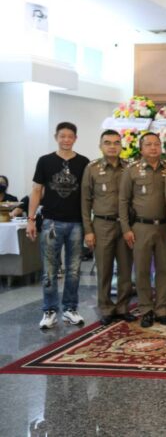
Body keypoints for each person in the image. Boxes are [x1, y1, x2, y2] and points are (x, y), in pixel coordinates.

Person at [26, 122, 90, 329]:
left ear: (75, 139)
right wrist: (30, 219)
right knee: (49, 270)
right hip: (51, 222)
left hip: (76, 223)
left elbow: (88, 194)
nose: (66, 140)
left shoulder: (84, 162)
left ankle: (70, 308)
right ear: (56, 137)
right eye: (62, 136)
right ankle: (49, 310)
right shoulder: (45, 161)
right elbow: (36, 190)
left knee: (74, 269)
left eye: (70, 136)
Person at [81, 129, 135, 326]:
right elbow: (85, 201)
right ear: (100, 146)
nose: (112, 146)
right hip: (102, 224)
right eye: (108, 142)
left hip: (126, 225)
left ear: (121, 146)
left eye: (116, 142)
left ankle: (122, 307)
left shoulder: (129, 167)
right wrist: (88, 230)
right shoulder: (92, 168)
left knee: (125, 269)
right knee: (104, 269)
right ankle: (105, 308)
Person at [119, 133, 166, 328]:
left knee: (164, 270)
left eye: (156, 144)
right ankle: (146, 310)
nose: (153, 148)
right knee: (142, 270)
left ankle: (162, 310)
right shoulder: (132, 170)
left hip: (165, 227)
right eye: (148, 144)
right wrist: (126, 228)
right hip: (141, 227)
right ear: (141, 149)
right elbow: (123, 201)